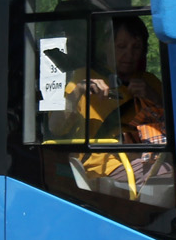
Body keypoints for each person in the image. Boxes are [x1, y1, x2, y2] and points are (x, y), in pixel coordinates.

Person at [58, 15, 167, 180]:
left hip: (151, 156)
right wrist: (77, 92)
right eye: (121, 46)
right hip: (105, 164)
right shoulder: (83, 79)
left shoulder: (149, 81)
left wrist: (153, 97)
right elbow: (56, 128)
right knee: (173, 176)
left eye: (136, 47)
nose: (129, 55)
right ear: (106, 47)